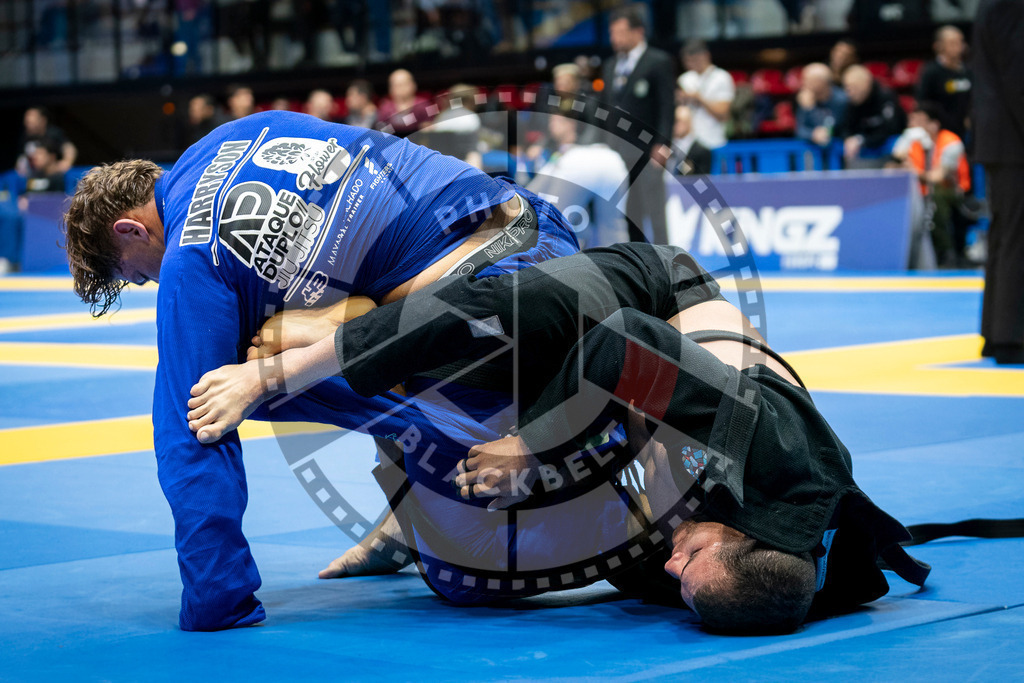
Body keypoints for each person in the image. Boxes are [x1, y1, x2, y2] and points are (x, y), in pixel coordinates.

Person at [186, 242, 929, 634]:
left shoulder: (753, 585)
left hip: (644, 421)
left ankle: (405, 506)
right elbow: (620, 343)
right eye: (692, 560)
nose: (675, 564)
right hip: (656, 299)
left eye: (681, 578)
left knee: (468, 578)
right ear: (742, 536)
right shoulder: (766, 445)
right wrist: (530, 447)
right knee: (496, 329)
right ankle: (326, 340)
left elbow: (667, 560)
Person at [61, 110, 581, 631]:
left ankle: (621, 519)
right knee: (305, 320)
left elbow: (188, 432)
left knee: (463, 571)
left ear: (130, 229)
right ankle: (409, 510)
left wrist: (215, 598)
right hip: (536, 227)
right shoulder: (233, 135)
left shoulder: (189, 261)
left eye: (136, 275)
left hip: (498, 305)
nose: (150, 283)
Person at [973, 0, 1024, 364]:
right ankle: (1011, 337)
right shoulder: (1012, 5)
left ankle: (996, 333)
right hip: (1013, 139)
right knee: (1016, 235)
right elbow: (1018, 76)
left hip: (1002, 137)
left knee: (1006, 233)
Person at [599, 5, 675, 245]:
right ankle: (636, 263)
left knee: (655, 212)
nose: (615, 39)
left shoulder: (658, 61)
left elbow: (667, 107)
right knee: (629, 213)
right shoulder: (610, 66)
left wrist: (663, 145)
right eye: (612, 33)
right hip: (618, 152)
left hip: (648, 150)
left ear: (638, 32)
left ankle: (666, 262)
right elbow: (606, 108)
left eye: (620, 32)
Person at [527, 114, 630, 248]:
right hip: (613, 160)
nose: (551, 125)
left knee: (552, 226)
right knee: (612, 228)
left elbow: (532, 192)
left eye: (556, 121)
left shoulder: (567, 153)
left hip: (579, 160)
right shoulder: (566, 150)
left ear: (571, 124)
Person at [896, 102, 972, 267]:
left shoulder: (951, 142)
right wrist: (903, 146)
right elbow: (894, 164)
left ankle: (945, 252)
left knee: (936, 197)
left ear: (934, 124)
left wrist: (913, 172)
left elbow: (938, 177)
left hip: (951, 190)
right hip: (920, 191)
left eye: (920, 121)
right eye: (913, 120)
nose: (915, 125)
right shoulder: (913, 140)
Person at [836, 65, 906, 167]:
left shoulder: (885, 97)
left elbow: (891, 129)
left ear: (866, 85)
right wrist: (849, 139)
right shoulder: (851, 102)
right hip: (863, 146)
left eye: (854, 88)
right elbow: (846, 127)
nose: (849, 93)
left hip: (883, 143)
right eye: (847, 88)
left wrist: (861, 140)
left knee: (897, 142)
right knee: (838, 145)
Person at [677, 39, 735, 151]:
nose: (691, 64)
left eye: (695, 60)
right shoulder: (684, 79)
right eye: (688, 61)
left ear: (706, 55)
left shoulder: (721, 77)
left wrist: (699, 98)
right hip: (688, 144)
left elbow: (723, 114)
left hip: (713, 142)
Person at [916, 26, 972, 142]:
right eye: (952, 43)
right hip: (941, 133)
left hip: (967, 132)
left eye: (960, 42)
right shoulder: (930, 72)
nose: (958, 46)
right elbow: (923, 103)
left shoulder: (969, 71)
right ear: (939, 46)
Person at [795, 62, 847, 149]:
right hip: (815, 149)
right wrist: (812, 134)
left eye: (807, 80)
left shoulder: (841, 100)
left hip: (840, 148)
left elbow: (835, 127)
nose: (803, 84)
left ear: (822, 82)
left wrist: (812, 109)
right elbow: (800, 130)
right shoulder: (806, 98)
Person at [17, 106, 77, 177]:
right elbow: (22, 158)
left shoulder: (53, 134)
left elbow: (69, 148)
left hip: (54, 175)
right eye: (27, 122)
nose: (27, 125)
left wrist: (66, 162)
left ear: (43, 121)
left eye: (31, 123)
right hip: (33, 175)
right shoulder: (26, 137)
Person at [377, 69, 434, 137]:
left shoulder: (422, 106)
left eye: (405, 84)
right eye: (397, 85)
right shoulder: (385, 108)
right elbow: (382, 133)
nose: (401, 88)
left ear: (413, 85)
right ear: (390, 88)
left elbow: (428, 131)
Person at [670, 104, 712, 176]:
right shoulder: (666, 147)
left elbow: (701, 180)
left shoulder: (701, 152)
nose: (675, 125)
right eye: (673, 121)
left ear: (689, 123)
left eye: (678, 121)